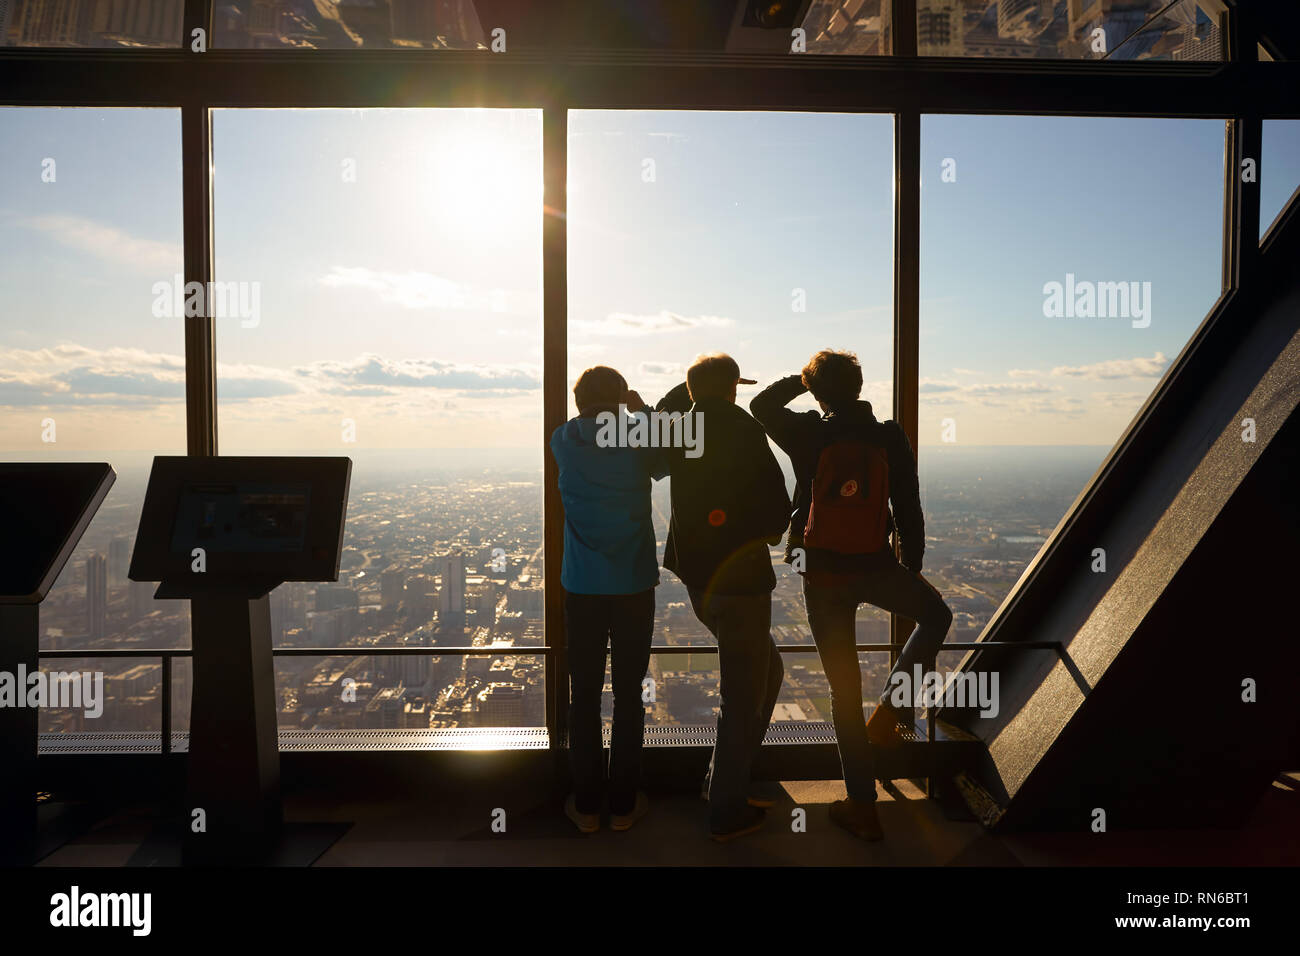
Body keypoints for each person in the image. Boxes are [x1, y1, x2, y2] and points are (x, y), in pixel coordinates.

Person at [750, 349, 953, 842]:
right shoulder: (889, 435)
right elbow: (908, 503)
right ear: (860, 386)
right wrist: (911, 565)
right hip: (877, 565)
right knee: (936, 616)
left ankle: (862, 806)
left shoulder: (809, 433)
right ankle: (890, 710)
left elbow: (761, 405)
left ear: (818, 391)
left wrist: (800, 381)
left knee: (843, 693)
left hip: (822, 576)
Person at [655, 354, 791, 842]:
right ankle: (726, 808)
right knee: (743, 693)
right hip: (743, 586)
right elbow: (777, 508)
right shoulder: (742, 427)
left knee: (766, 672)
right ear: (734, 388)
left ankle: (724, 783)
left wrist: (685, 394)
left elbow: (650, 457)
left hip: (699, 584)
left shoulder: (678, 431)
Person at [550, 366, 667, 833]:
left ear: (578, 401)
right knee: (628, 697)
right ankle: (621, 806)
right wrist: (641, 412)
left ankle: (585, 805)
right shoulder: (636, 436)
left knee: (583, 698)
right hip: (633, 583)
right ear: (619, 399)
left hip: (581, 586)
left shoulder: (563, 440)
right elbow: (663, 465)